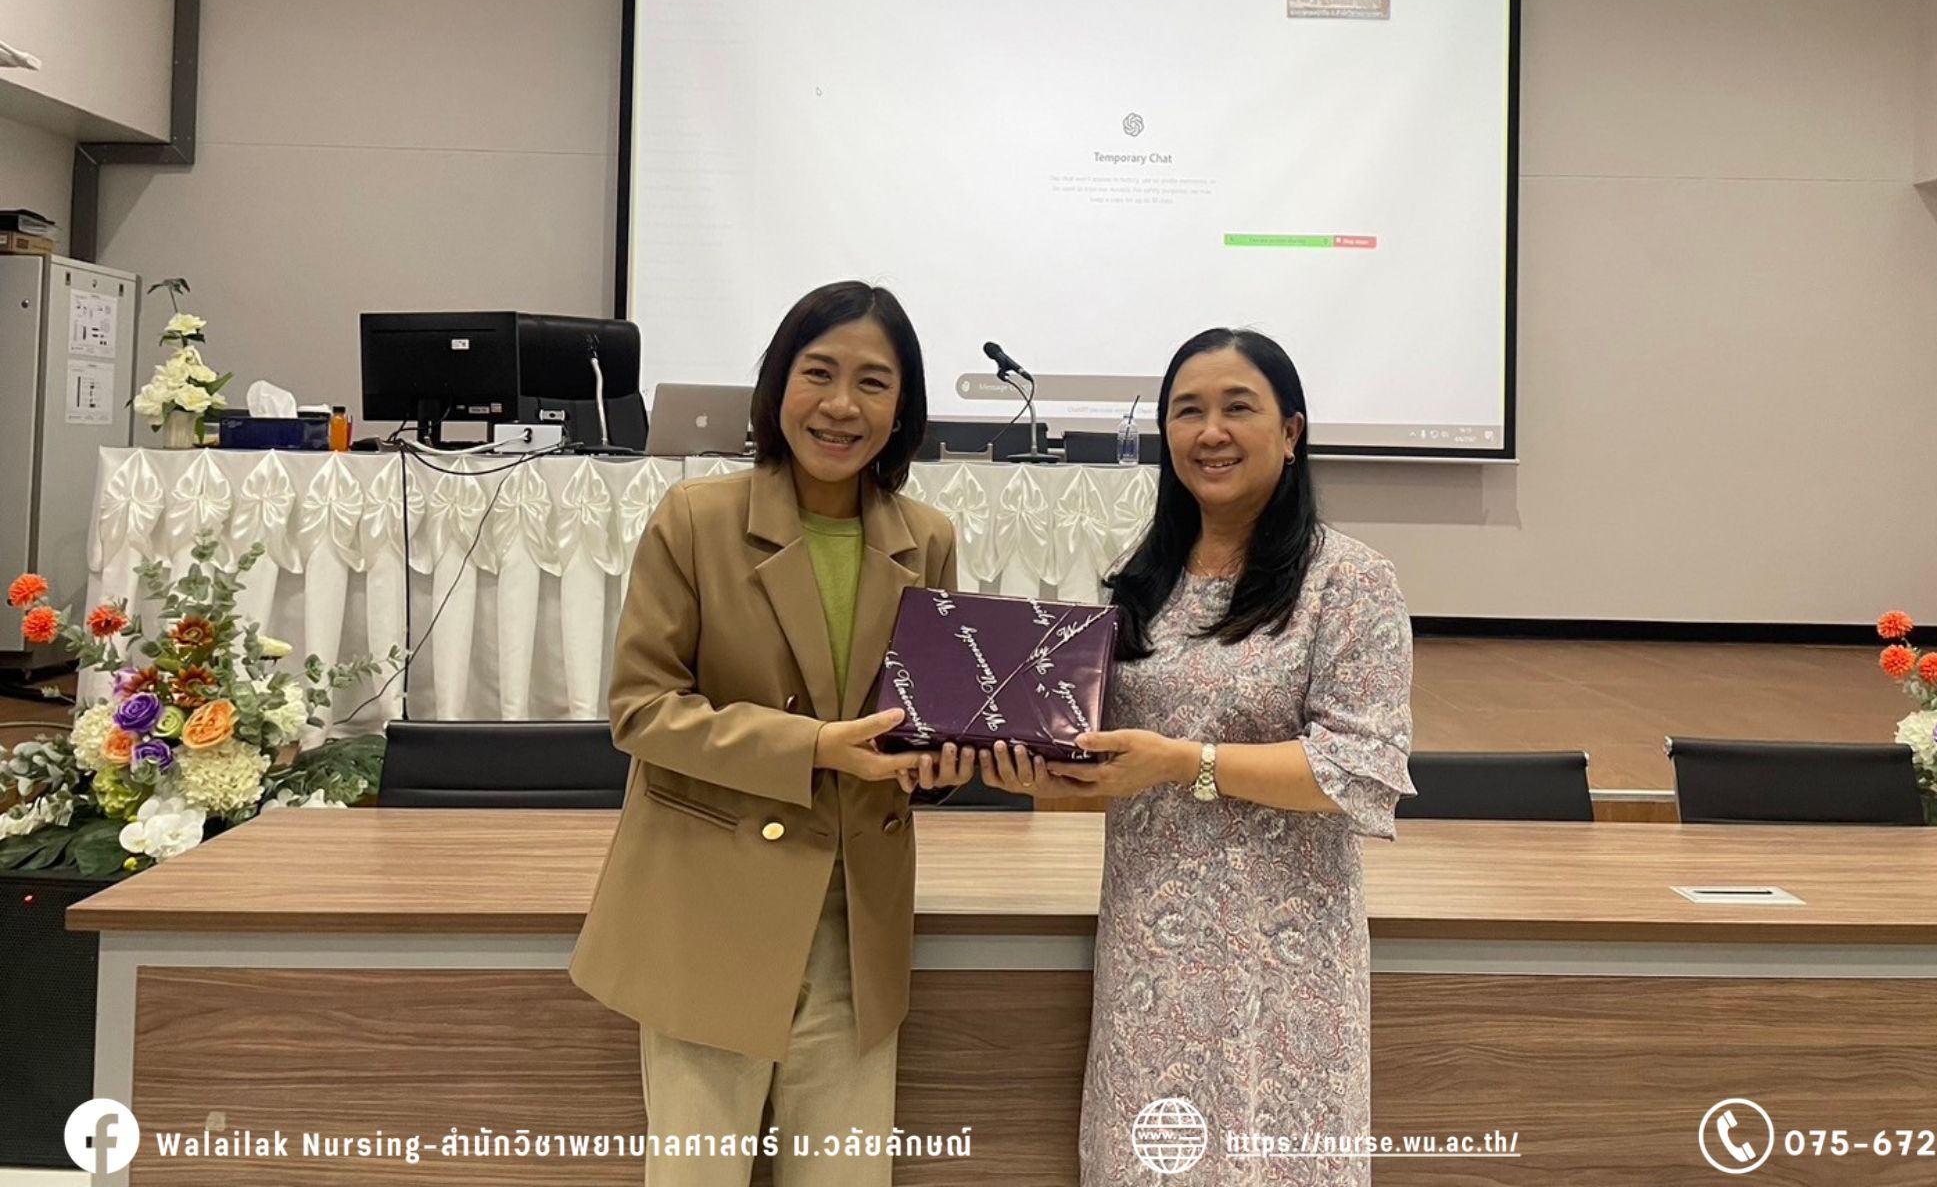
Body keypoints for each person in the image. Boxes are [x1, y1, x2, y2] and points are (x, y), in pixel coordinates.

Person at [983, 327, 1414, 1184]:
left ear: (1290, 432)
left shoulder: (1350, 581)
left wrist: (1185, 763)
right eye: (1187, 411)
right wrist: (1041, 763)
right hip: (1152, 949)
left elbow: (1362, 769)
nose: (1210, 431)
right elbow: (1116, 754)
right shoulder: (1142, 578)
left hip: (1285, 958)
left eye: (1236, 408)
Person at [571, 281, 975, 1186]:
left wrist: (941, 765)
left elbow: (926, 721)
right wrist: (814, 748)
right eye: (818, 373)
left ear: (902, 407)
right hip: (709, 912)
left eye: (873, 382)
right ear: (777, 385)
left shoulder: (928, 539)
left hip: (854, 930)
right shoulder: (697, 519)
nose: (842, 405)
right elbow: (642, 708)